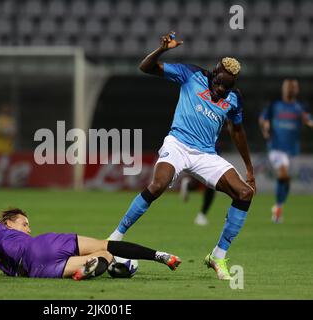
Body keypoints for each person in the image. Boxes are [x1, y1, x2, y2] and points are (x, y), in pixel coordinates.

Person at [108, 32, 256, 281]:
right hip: (178, 144)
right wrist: (161, 50)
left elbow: (237, 131)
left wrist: (249, 170)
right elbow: (146, 67)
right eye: (219, 83)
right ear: (213, 72)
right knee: (157, 185)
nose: (221, 90)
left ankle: (217, 256)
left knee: (245, 193)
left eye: (227, 87)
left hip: (206, 155)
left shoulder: (234, 98)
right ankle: (115, 237)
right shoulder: (191, 74)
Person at [0, 208, 181, 280]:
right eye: (25, 224)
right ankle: (160, 256)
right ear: (8, 222)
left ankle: (95, 268)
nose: (29, 229)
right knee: (105, 247)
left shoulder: (2, 240)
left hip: (34, 270)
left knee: (103, 256)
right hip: (41, 246)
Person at [259, 79, 313, 223]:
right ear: (283, 89)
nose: (290, 89)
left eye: (293, 87)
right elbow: (263, 119)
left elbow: (308, 120)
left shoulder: (300, 107)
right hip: (276, 148)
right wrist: (265, 127)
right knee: (283, 175)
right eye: (288, 87)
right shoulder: (275, 106)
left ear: (297, 90)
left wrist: (308, 121)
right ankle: (278, 206)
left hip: (292, 150)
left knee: (286, 180)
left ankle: (278, 206)